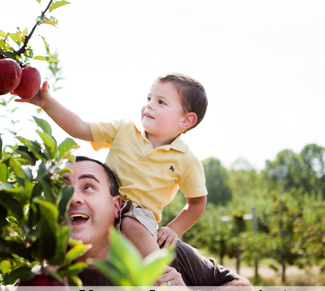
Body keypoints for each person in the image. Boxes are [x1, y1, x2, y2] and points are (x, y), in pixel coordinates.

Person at [0, 157, 252, 291]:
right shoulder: (45, 280)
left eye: (88, 187)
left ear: (115, 206)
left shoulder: (162, 254)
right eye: (63, 189)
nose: (73, 198)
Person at [19, 74, 208, 259]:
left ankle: (161, 278)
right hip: (105, 203)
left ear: (186, 120)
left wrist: (174, 229)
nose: (149, 104)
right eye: (149, 98)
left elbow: (197, 202)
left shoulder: (186, 160)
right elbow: (80, 128)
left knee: (131, 224)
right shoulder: (125, 130)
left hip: (139, 215)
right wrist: (46, 103)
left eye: (161, 102)